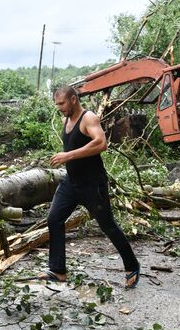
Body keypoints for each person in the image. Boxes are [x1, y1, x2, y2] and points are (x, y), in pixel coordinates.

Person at [37, 85, 140, 288]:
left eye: (62, 103)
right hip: (71, 182)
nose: (59, 107)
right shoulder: (65, 119)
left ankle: (132, 266)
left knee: (107, 225)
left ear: (74, 99)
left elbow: (101, 143)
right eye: (57, 104)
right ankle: (58, 270)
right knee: (54, 219)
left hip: (93, 184)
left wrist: (68, 155)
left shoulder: (88, 118)